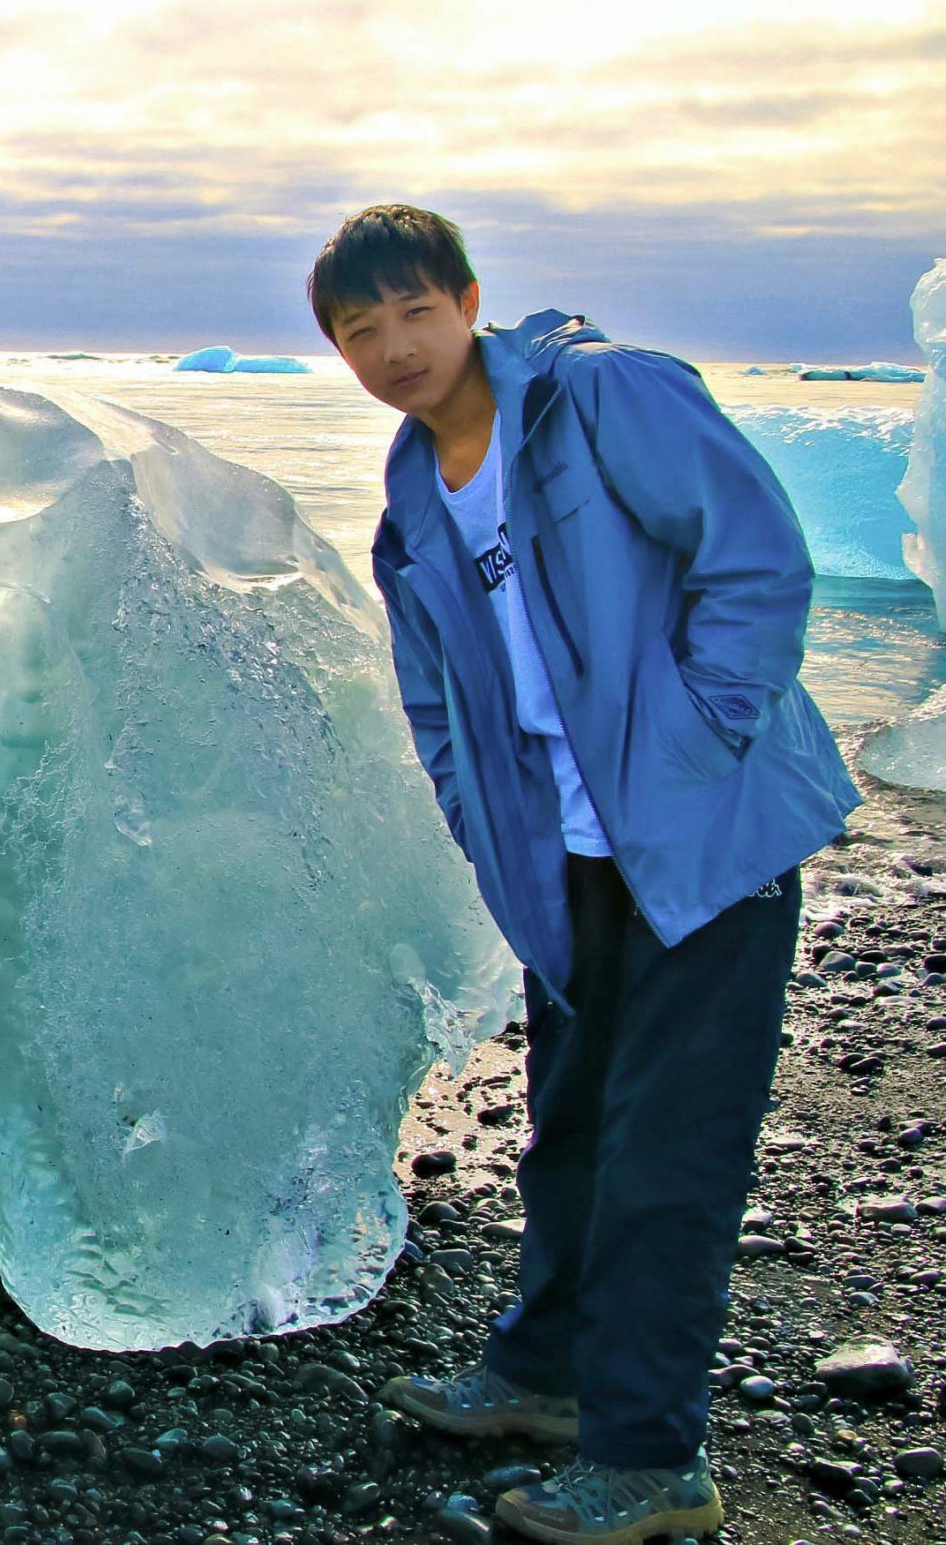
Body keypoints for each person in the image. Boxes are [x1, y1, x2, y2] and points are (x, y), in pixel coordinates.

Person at [309, 206, 858, 1545]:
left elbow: (757, 560)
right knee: (570, 1126)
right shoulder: (411, 486)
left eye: (414, 313)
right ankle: (544, 1373)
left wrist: (697, 737)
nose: (395, 348)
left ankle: (648, 1454)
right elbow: (434, 687)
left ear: (470, 300)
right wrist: (469, 803)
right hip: (566, 854)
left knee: (670, 1148)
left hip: (703, 841)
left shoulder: (604, 394)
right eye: (360, 330)